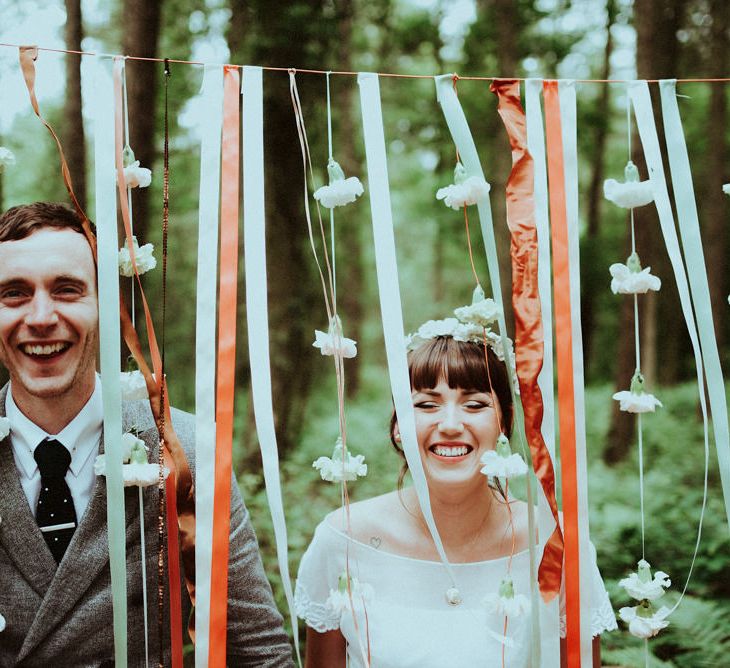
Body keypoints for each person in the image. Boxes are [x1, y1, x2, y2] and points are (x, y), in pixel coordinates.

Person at [0, 202, 294, 666]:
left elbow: (257, 652)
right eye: (14, 292)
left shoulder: (186, 450)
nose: (40, 317)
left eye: (67, 290)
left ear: (105, 304)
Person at [295, 326, 617, 667]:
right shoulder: (343, 539)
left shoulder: (556, 542)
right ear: (398, 427)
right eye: (427, 404)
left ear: (504, 423)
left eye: (475, 404)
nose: (450, 424)